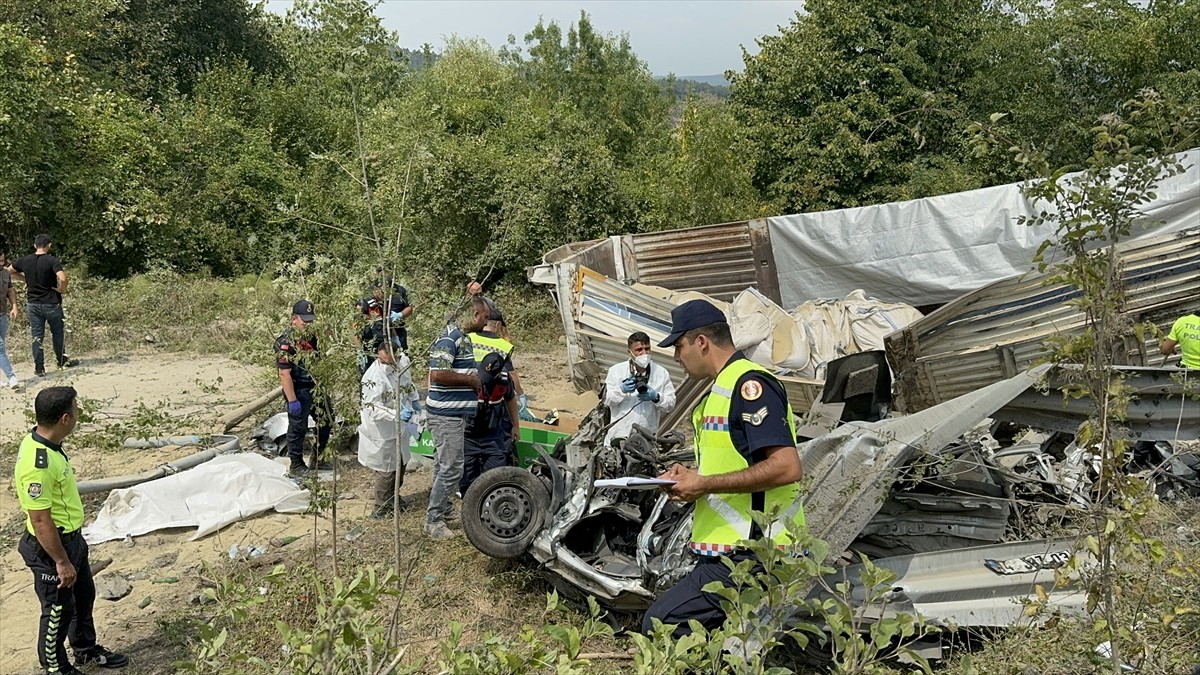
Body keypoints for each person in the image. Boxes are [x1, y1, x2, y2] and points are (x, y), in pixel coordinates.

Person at [642, 299, 805, 637]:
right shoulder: (720, 389)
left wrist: (705, 484)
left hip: (754, 553)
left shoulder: (750, 386)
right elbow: (733, 458)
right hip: (729, 551)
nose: (675, 357)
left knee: (661, 625)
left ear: (701, 342)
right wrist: (689, 477)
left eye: (678, 346)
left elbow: (786, 466)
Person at [15, 386, 129, 674]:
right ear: (65, 418)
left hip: (71, 539)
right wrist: (62, 561)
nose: (79, 414)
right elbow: (40, 520)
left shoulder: (48, 443)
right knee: (57, 610)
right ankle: (56, 667)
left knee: (82, 596)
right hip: (50, 549)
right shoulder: (37, 464)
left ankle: (86, 651)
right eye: (76, 410)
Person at [424, 296, 483, 541]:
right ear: (473, 315)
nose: (485, 321)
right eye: (484, 316)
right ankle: (433, 520)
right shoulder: (450, 338)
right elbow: (437, 374)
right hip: (445, 416)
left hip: (454, 414)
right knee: (452, 468)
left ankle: (444, 508)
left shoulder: (463, 338)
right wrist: (469, 380)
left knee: (442, 465)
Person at [461, 297, 521, 496]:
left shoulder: (467, 338)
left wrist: (516, 424)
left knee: (495, 471)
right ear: (496, 324)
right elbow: (512, 376)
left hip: (491, 424)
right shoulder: (503, 346)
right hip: (471, 417)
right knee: (469, 475)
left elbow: (509, 394)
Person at [358, 339, 421, 520]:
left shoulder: (402, 361)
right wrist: (395, 414)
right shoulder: (373, 377)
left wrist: (414, 398)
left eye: (396, 356)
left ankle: (394, 497)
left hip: (401, 425)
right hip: (382, 429)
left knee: (401, 463)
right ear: (380, 353)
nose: (394, 360)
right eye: (389, 357)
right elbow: (372, 408)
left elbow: (407, 381)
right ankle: (381, 507)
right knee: (386, 469)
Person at [275, 300, 333, 476]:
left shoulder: (312, 337)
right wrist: (292, 400)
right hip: (298, 390)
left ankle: (318, 457)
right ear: (294, 319)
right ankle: (297, 465)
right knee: (298, 428)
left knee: (327, 420)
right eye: (304, 321)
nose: (308, 325)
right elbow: (285, 374)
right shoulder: (285, 342)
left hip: (316, 388)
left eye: (311, 321)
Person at [8, 233, 71, 376]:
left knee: (37, 336)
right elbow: (63, 277)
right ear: (49, 245)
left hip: (33, 304)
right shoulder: (52, 260)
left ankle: (39, 368)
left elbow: (9, 271)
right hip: (51, 302)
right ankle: (61, 361)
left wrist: (26, 280)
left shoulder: (25, 260)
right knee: (57, 333)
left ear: (35, 245)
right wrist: (62, 289)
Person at [603, 331, 676, 447]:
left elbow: (671, 404)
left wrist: (656, 397)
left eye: (647, 349)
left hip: (646, 438)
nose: (644, 353)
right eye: (639, 350)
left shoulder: (661, 373)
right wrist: (621, 390)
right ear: (629, 352)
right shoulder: (616, 371)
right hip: (619, 436)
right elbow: (607, 401)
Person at [0, 250, 19, 388]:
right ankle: (12, 377)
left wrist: (14, 306)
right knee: (0, 348)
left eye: (3, 260)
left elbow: (10, 290)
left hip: (2, 314)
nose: (2, 263)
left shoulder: (6, 272)